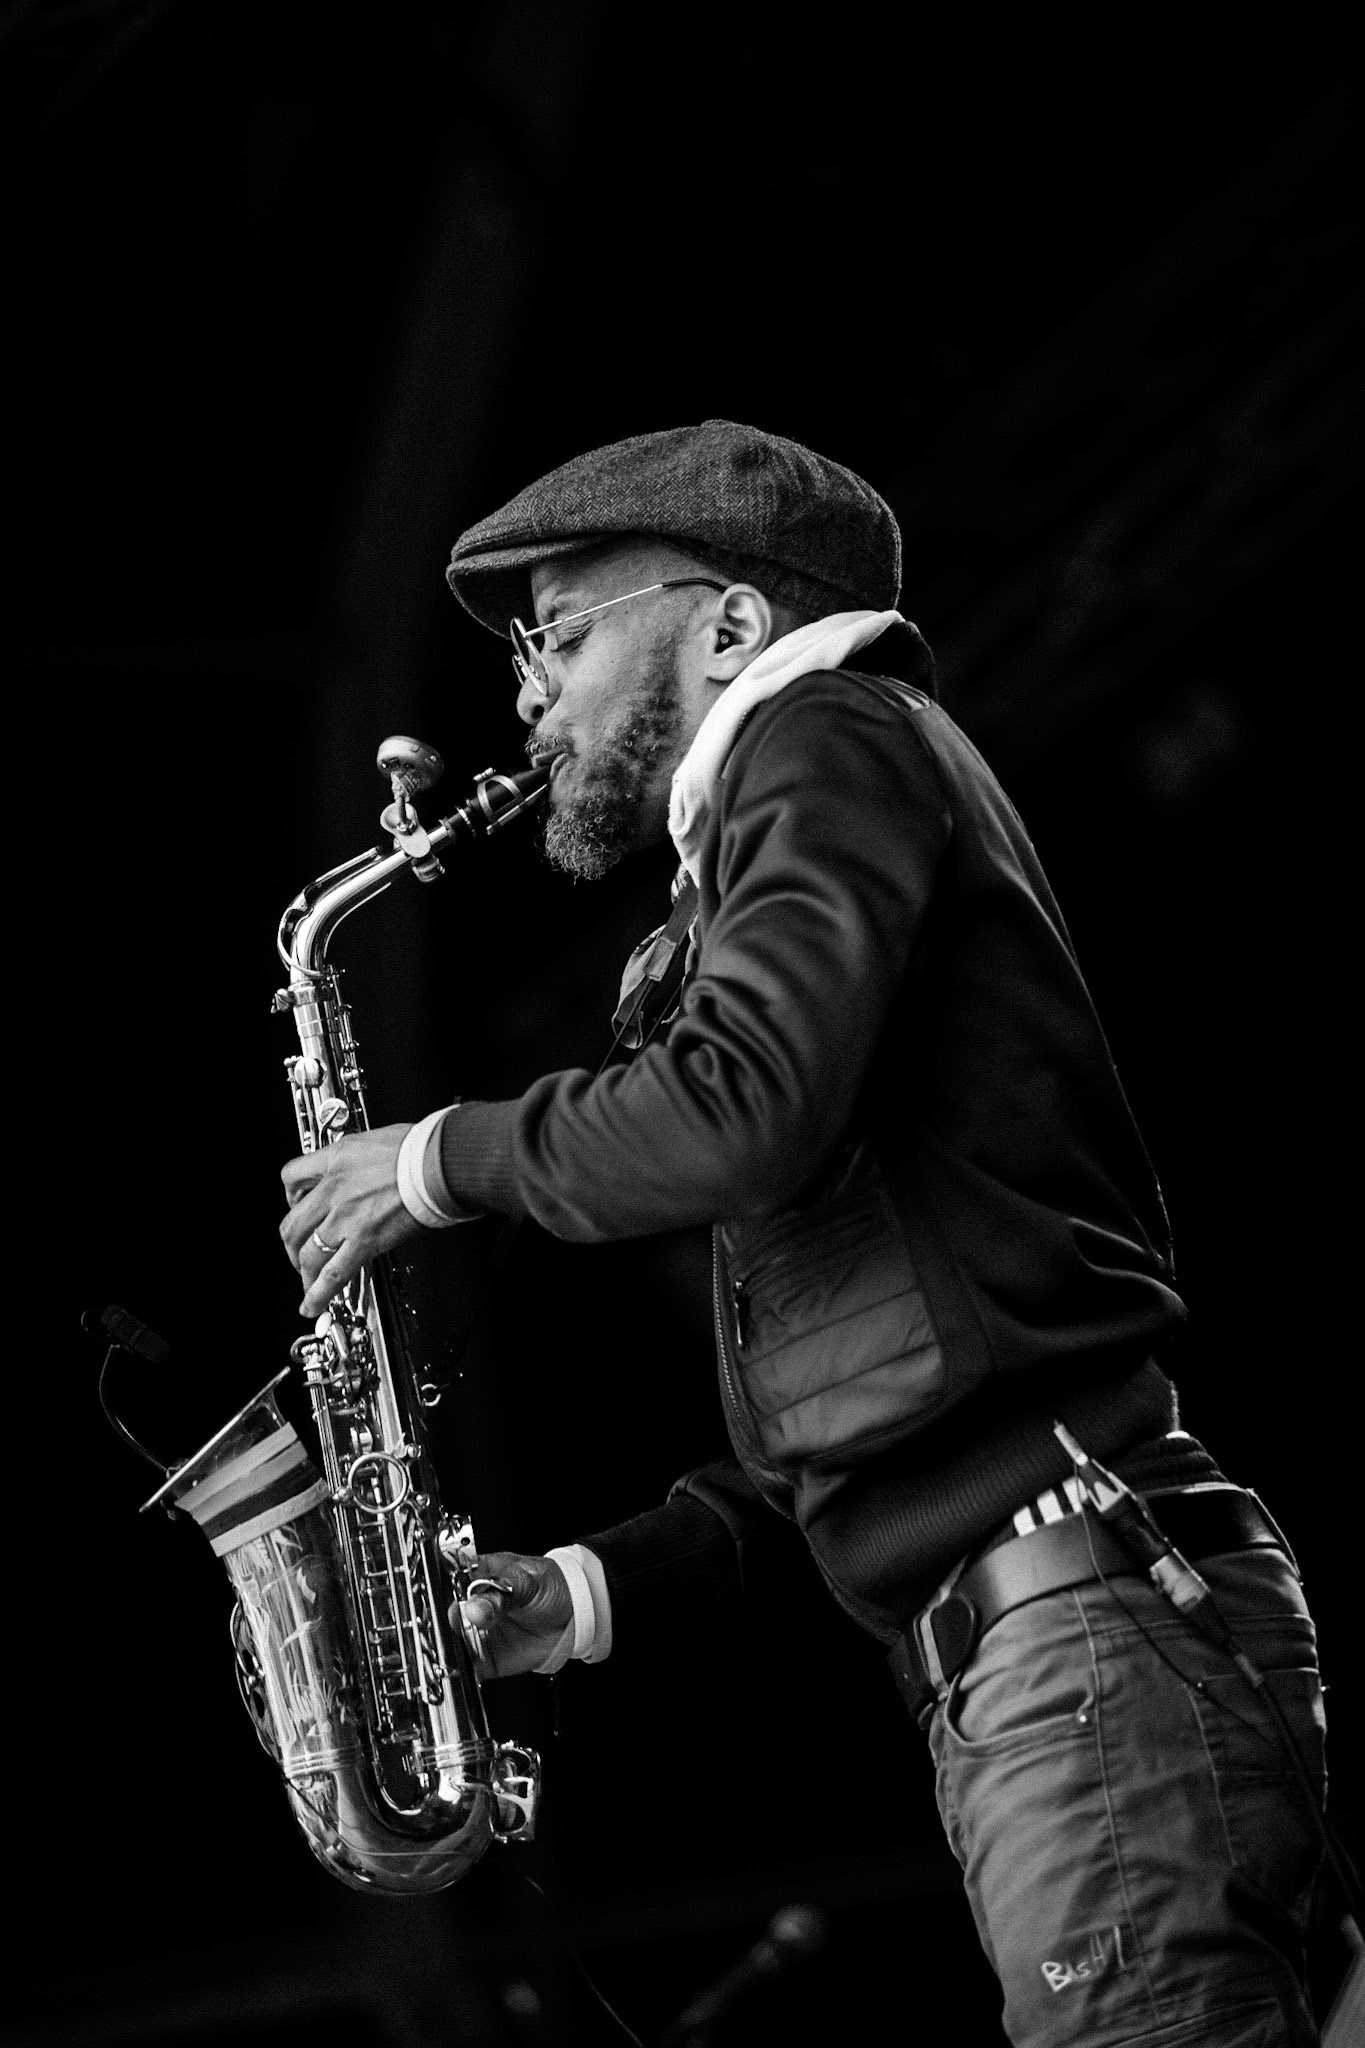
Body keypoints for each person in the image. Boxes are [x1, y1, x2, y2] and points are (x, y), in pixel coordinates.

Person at [280, 420, 1329, 2045]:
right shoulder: (792, 822)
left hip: (1082, 1654)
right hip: (1063, 1652)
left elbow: (741, 1102)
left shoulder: (824, 734)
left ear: (726, 626)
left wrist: (435, 1159)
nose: (523, 695)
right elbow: (851, 1434)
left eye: (555, 635)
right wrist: (581, 1593)